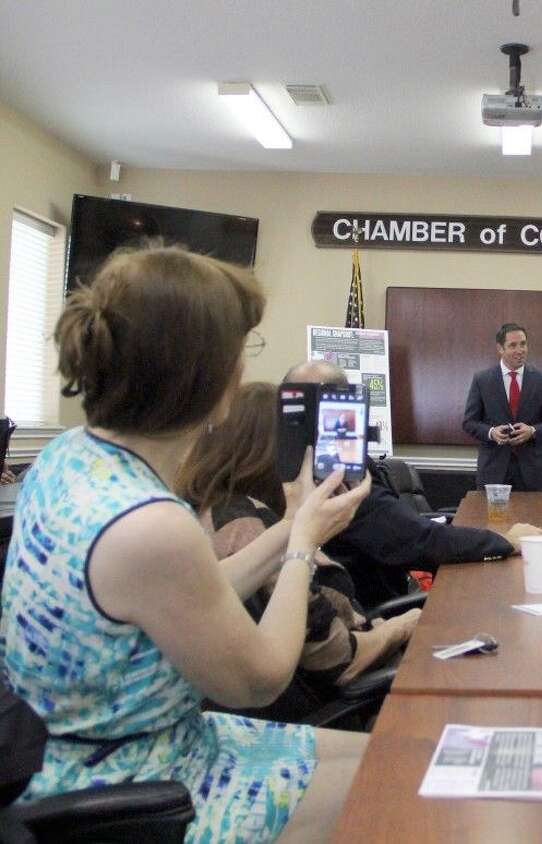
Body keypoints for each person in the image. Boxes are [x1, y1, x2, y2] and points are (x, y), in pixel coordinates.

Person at [0, 246, 372, 843]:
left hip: (118, 750)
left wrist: (292, 522)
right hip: (136, 783)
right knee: (403, 782)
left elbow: (190, 591)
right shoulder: (150, 525)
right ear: (206, 373)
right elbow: (259, 681)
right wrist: (303, 547)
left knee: (394, 754)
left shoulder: (68, 456)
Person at [177, 382, 421, 693]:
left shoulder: (214, 510)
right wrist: (402, 626)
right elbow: (338, 661)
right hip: (358, 696)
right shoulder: (245, 528)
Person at [285, 360, 542, 606]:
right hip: (375, 613)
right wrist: (508, 541)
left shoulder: (290, 470)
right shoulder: (336, 479)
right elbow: (420, 540)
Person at [462, 322, 542, 491]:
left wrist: (532, 431)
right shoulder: (482, 380)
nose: (520, 350)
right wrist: (491, 432)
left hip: (531, 472)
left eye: (523, 344)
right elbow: (469, 422)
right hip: (493, 470)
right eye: (513, 345)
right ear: (500, 349)